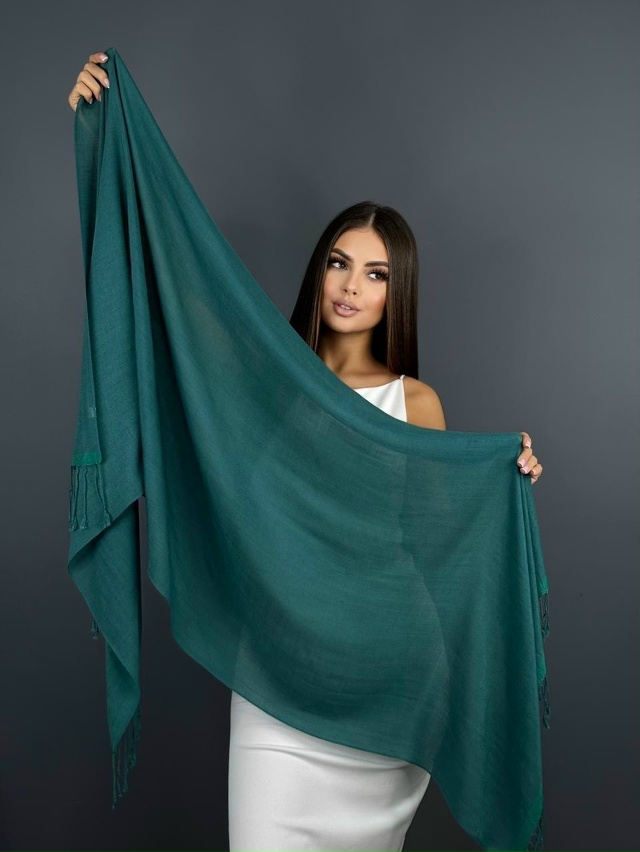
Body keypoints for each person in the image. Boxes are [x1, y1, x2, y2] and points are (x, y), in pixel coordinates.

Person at [68, 52, 544, 852]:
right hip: (276, 685)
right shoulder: (260, 382)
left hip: (389, 688)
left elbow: (445, 547)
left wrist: (505, 475)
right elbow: (163, 280)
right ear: (319, 271)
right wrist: (101, 134)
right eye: (338, 263)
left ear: (397, 293)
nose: (351, 286)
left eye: (376, 274)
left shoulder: (416, 402)